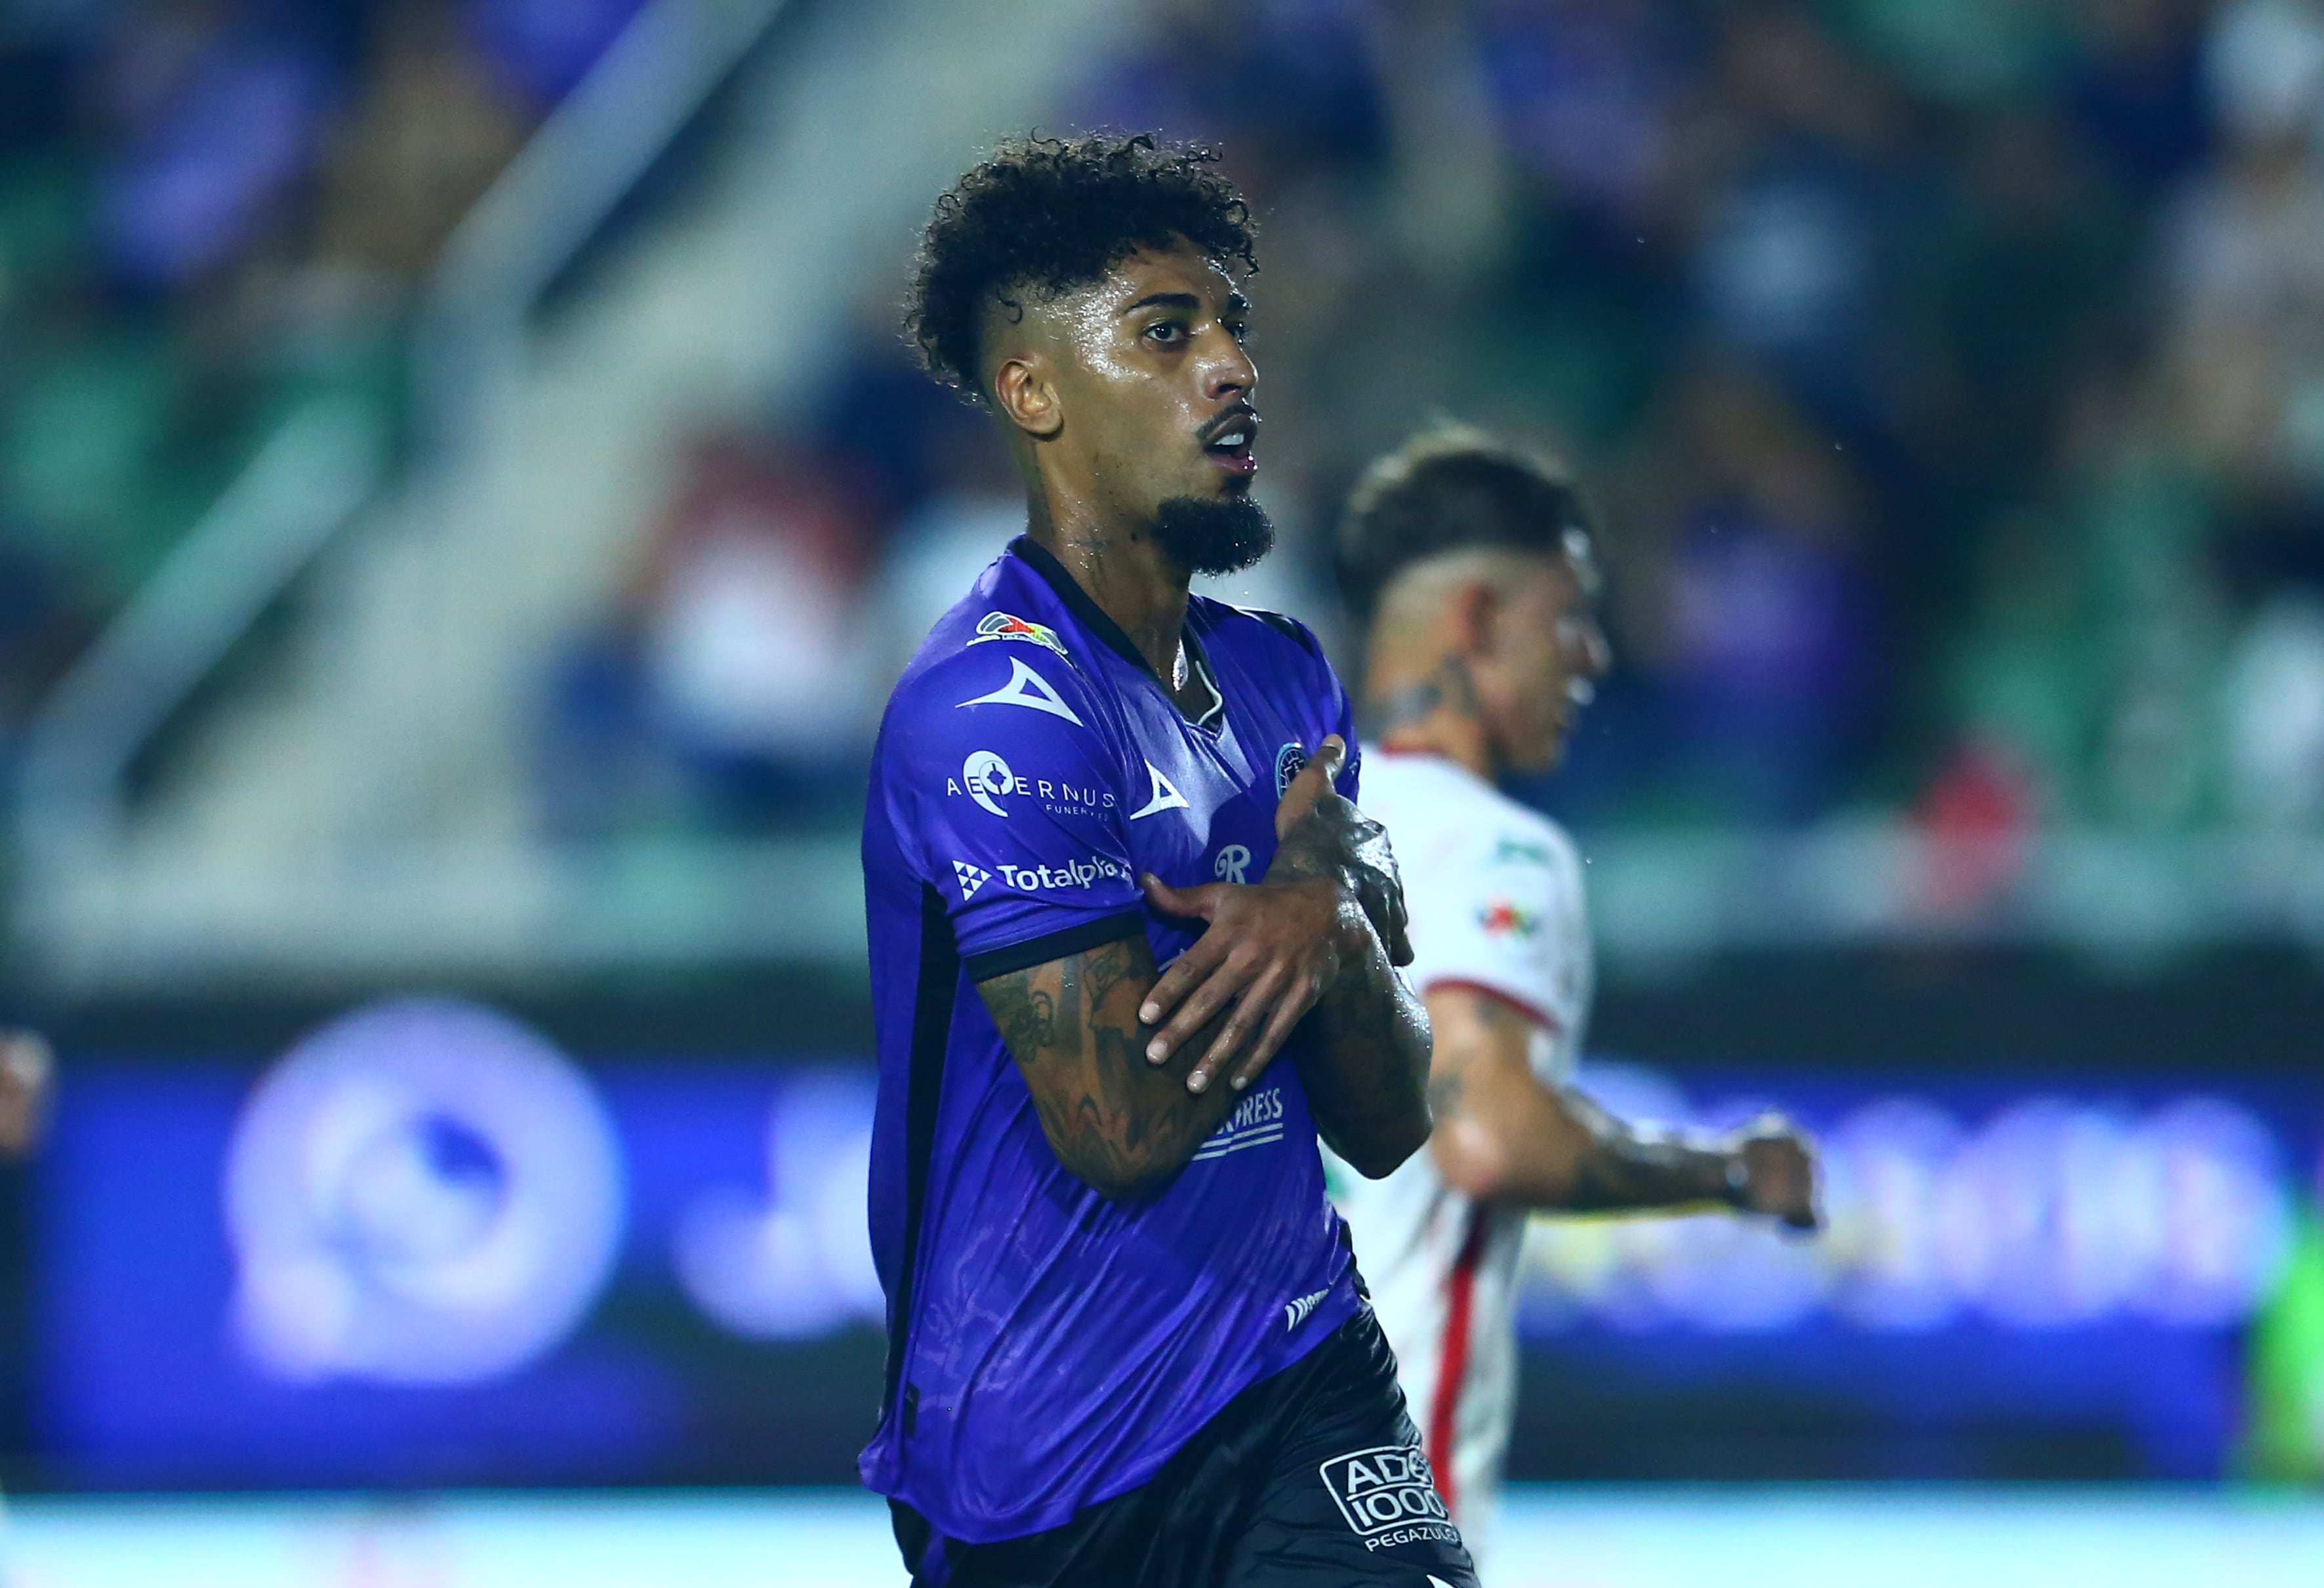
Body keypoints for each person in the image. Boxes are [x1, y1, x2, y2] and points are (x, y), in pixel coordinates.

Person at [858, 134, 1477, 1585]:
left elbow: (1386, 1122)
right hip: (1041, 1455)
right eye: (1165, 331)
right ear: (1034, 391)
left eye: (1231, 326)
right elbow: (1117, 1126)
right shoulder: (989, 710)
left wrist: (1323, 929)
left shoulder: (1284, 681)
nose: (1230, 366)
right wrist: (1303, 934)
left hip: (1297, 1370)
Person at [1331, 426, 1823, 1557]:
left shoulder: (1258, 833)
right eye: (1570, 617)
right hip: (1368, 1506)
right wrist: (1728, 1173)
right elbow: (1490, 1135)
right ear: (1478, 620)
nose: (1594, 657)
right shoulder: (1493, 850)